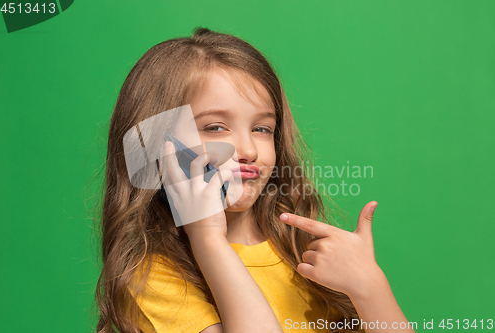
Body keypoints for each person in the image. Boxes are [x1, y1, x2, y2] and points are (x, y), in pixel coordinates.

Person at [94, 27, 415, 333]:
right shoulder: (151, 276)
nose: (248, 150)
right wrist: (208, 240)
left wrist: (370, 288)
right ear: (154, 148)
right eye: (215, 128)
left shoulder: (300, 249)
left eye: (262, 129)